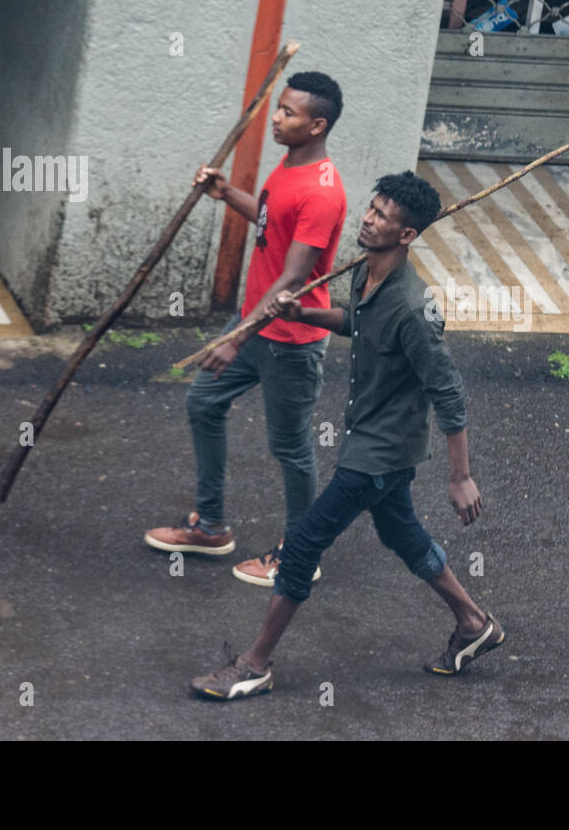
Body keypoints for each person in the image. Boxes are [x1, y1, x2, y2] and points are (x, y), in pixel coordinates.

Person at [190, 171, 503, 699]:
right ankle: (474, 623)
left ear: (407, 235)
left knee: (305, 543)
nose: (368, 217)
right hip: (371, 439)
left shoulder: (412, 307)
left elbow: (447, 390)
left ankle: (255, 663)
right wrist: (303, 311)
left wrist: (461, 476)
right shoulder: (367, 273)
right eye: (372, 206)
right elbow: (356, 320)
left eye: (383, 215)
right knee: (400, 533)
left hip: (380, 451)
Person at [144, 72, 346, 589]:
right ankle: (211, 527)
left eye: (288, 113)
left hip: (288, 342)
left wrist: (237, 338)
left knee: (292, 448)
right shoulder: (290, 165)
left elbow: (295, 278)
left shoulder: (322, 192)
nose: (276, 118)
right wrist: (226, 191)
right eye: (278, 108)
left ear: (316, 124)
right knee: (203, 403)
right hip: (255, 322)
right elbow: (269, 219)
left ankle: (298, 554)